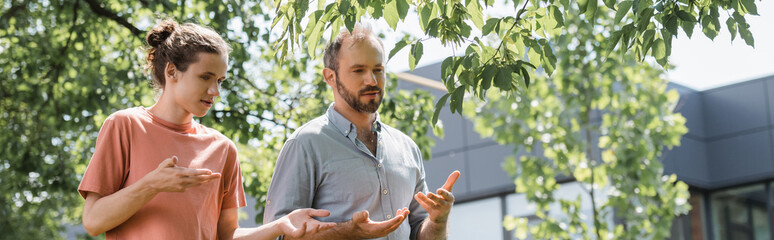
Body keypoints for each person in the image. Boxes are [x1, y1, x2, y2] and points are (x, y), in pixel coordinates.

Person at [78, 19, 334, 240]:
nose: (215, 92)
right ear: (172, 72)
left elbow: (227, 234)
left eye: (220, 81)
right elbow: (93, 221)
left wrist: (279, 226)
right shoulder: (125, 125)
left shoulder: (223, 149)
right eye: (205, 77)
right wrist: (151, 185)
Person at [263, 22, 461, 240]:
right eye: (359, 71)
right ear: (330, 77)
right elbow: (276, 235)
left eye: (378, 70)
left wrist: (437, 221)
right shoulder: (305, 144)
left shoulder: (407, 148)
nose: (372, 80)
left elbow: (419, 233)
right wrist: (346, 231)